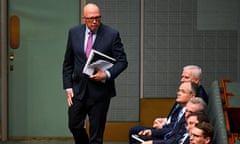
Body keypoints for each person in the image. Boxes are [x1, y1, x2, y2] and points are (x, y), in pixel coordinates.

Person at [62, 3, 128, 144]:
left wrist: (107, 74)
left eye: (97, 18)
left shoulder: (111, 34)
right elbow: (68, 62)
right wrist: (68, 87)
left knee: (96, 135)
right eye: (91, 18)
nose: (94, 22)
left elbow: (122, 61)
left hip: (100, 92)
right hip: (78, 90)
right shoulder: (74, 32)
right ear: (83, 18)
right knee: (74, 125)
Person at [129, 82, 198, 143]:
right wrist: (164, 122)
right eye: (179, 91)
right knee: (135, 132)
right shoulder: (180, 107)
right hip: (168, 135)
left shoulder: (191, 113)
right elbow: (173, 126)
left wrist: (153, 138)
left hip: (169, 138)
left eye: (182, 91)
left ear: (192, 96)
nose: (178, 93)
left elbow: (175, 136)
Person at [152, 65, 208, 131]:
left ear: (196, 81)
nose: (182, 80)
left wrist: (163, 127)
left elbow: (182, 127)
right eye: (182, 77)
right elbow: (177, 116)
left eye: (186, 77)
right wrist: (166, 120)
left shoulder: (198, 100)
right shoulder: (184, 92)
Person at [139, 97, 207, 144]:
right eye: (186, 111)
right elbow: (175, 139)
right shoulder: (185, 122)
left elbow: (174, 141)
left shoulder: (197, 132)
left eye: (191, 112)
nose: (187, 115)